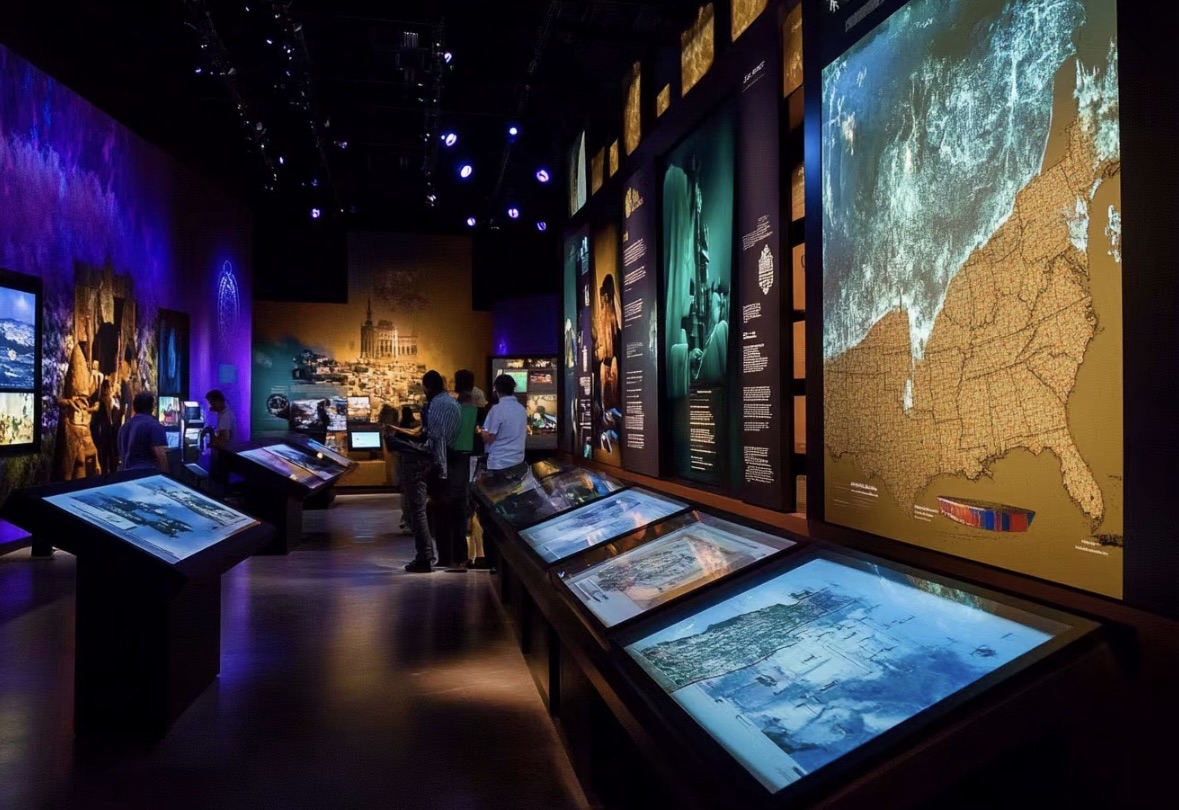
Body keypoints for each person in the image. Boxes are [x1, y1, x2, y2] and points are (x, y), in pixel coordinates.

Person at [403, 371, 462, 573]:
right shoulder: (452, 402)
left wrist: (437, 466)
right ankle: (444, 556)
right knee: (443, 512)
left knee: (422, 511)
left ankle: (426, 556)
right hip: (451, 463)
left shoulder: (436, 404)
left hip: (437, 464)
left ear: (427, 387)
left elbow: (436, 438)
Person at [479, 374, 527, 472]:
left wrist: (481, 431)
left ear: (496, 390)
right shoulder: (521, 409)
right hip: (518, 460)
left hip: (499, 462)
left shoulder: (496, 410)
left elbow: (489, 438)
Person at [117, 391, 169, 473]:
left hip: (126, 475)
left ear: (134, 407)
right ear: (152, 407)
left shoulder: (124, 427)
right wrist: (167, 475)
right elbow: (161, 455)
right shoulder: (154, 425)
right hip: (147, 476)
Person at [202, 389, 237, 496]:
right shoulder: (222, 414)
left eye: (212, 402)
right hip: (223, 455)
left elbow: (223, 441)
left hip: (224, 456)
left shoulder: (226, 416)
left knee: (218, 485)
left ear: (218, 401)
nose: (211, 406)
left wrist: (211, 441)